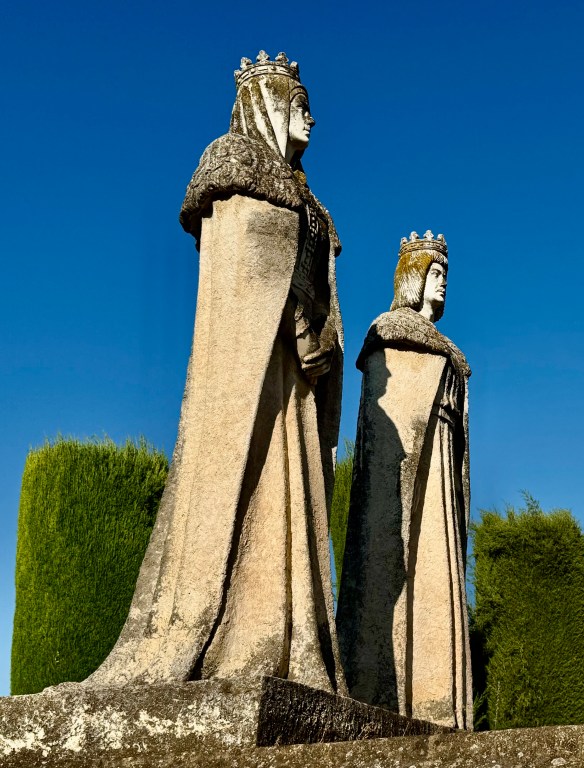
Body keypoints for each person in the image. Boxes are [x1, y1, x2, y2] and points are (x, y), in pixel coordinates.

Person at [86, 51, 345, 694]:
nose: (309, 117)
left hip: (295, 382)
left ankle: (287, 640)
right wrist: (294, 321)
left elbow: (321, 288)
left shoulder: (314, 205)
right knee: (246, 481)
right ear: (266, 104)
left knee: (291, 497)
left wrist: (320, 339)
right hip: (250, 371)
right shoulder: (233, 162)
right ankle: (237, 636)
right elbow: (246, 262)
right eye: (298, 103)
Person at [338, 232, 472, 729]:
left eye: (446, 275)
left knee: (437, 567)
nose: (442, 283)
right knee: (393, 565)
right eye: (435, 273)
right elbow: (386, 423)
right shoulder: (388, 331)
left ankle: (437, 702)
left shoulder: (450, 351)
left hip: (440, 459)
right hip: (408, 471)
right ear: (413, 278)